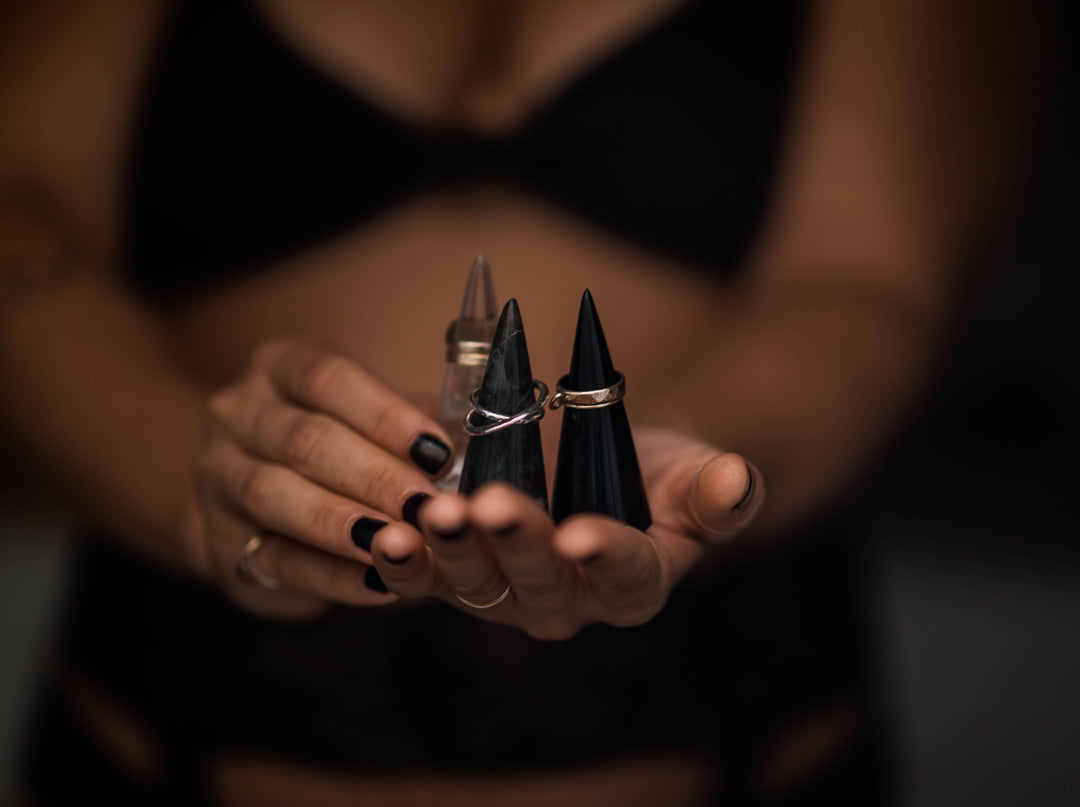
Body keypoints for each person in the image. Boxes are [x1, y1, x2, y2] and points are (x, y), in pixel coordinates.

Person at [0, 0, 1051, 804]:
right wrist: (200, 477)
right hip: (157, 731)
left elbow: (869, 285)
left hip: (743, 740)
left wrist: (673, 472)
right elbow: (20, 213)